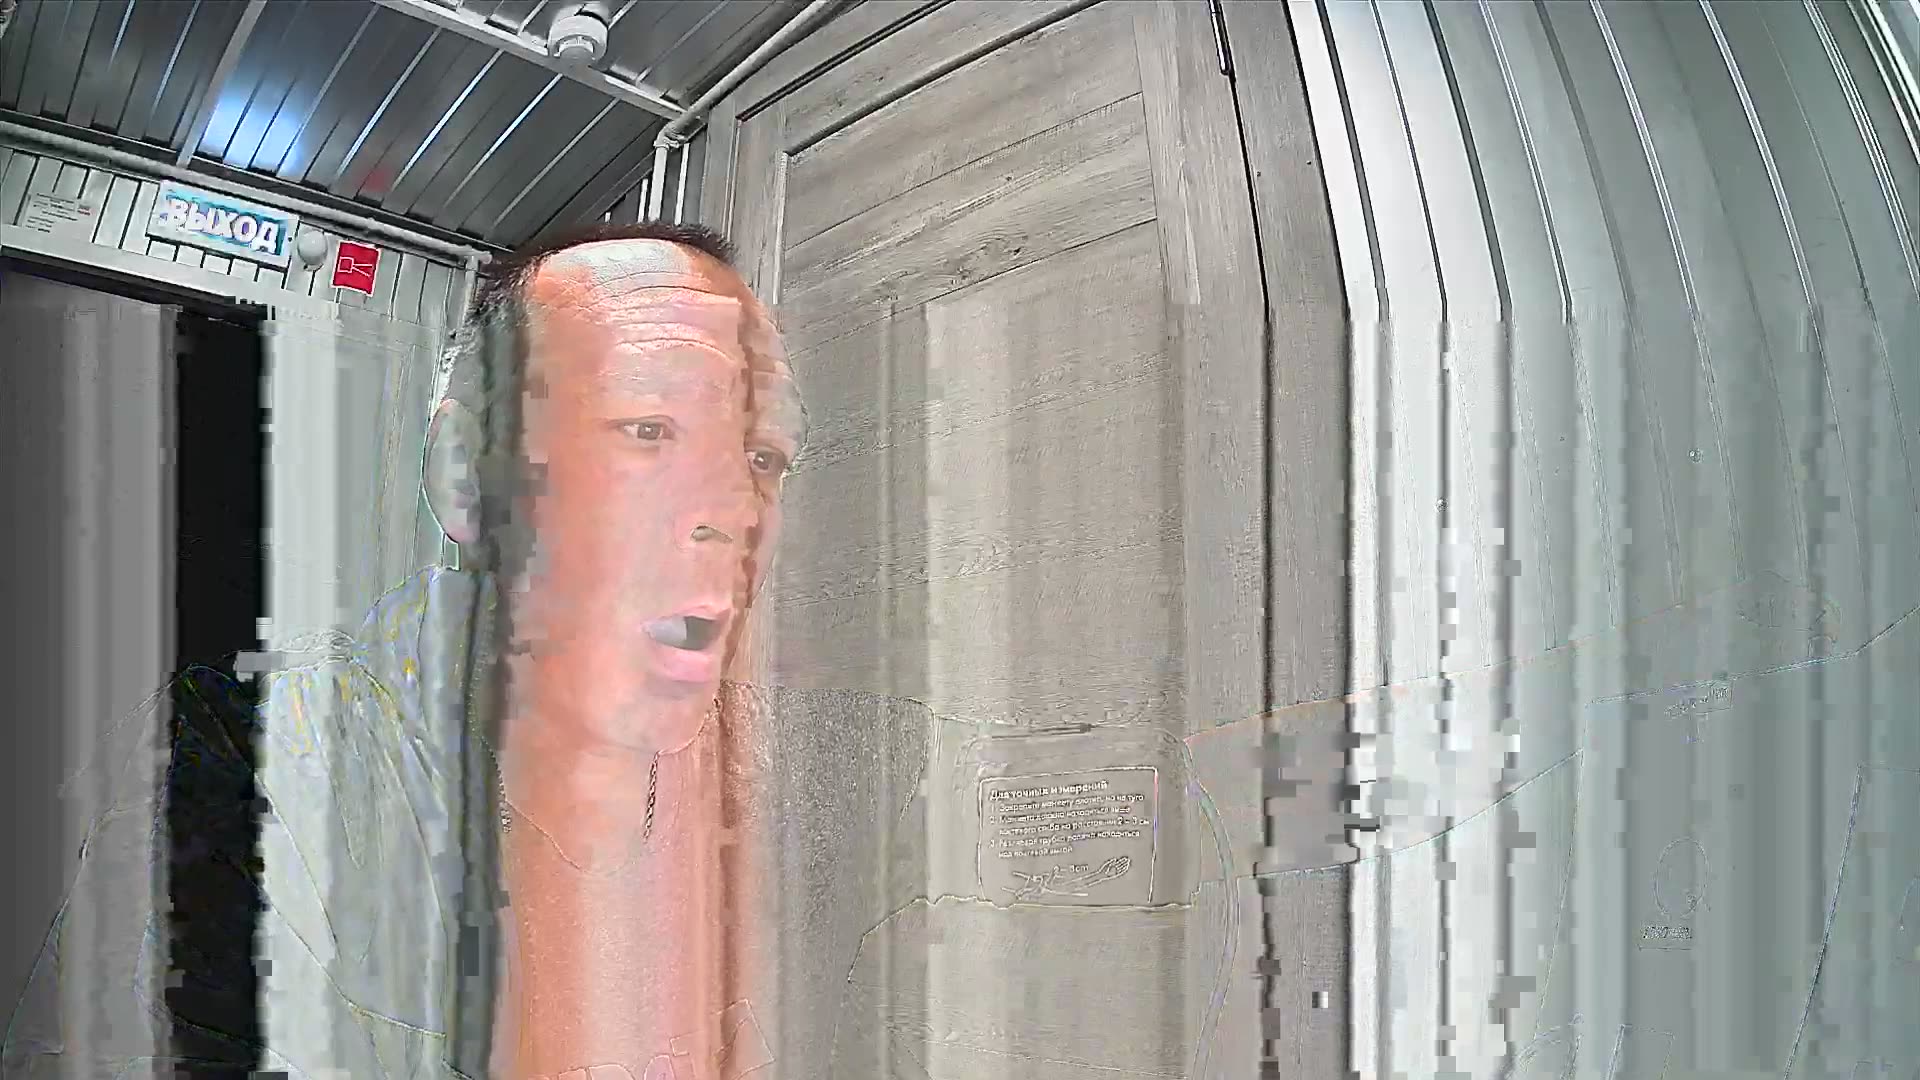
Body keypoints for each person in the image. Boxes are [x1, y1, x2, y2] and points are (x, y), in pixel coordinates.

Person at [5, 221, 1262, 1080]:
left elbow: (1178, 839)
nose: (731, 506)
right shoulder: (253, 757)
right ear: (467, 474)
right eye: (648, 429)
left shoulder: (811, 752)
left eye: (760, 455)